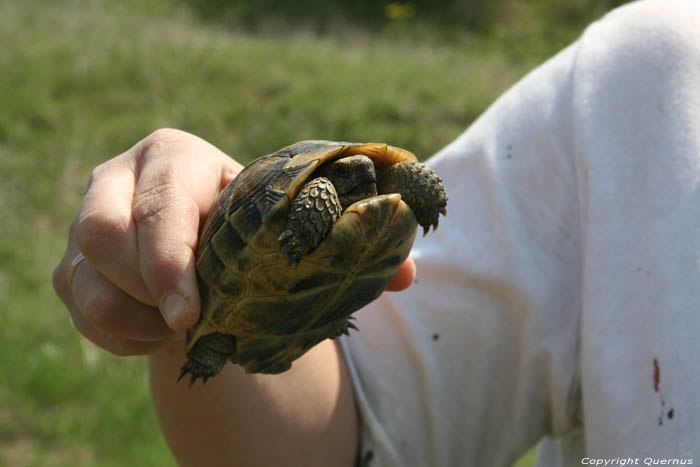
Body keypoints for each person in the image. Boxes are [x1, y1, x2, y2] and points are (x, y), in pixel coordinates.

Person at [53, 0, 700, 465]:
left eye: (365, 172)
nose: (366, 173)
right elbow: (361, 432)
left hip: (304, 264)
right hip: (264, 296)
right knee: (218, 337)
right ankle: (206, 343)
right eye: (356, 172)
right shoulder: (651, 84)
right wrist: (174, 271)